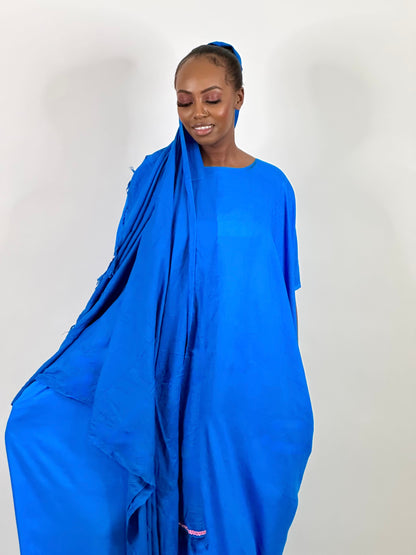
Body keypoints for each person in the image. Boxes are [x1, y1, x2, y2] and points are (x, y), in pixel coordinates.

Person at [5, 41, 314, 554]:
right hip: (179, 375)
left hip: (254, 380)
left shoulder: (274, 187)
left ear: (239, 98)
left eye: (212, 98)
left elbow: (280, 292)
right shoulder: (156, 179)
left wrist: (287, 384)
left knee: (254, 507)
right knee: (44, 428)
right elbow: (126, 285)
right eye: (184, 101)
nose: (198, 113)